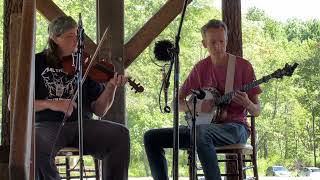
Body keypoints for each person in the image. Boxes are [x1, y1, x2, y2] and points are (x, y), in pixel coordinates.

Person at [144, 19, 262, 180]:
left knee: (201, 133)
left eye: (222, 41)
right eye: (213, 42)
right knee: (151, 137)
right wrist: (197, 108)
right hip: (200, 129)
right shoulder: (200, 68)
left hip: (235, 128)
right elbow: (175, 103)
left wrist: (247, 103)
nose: (218, 46)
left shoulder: (242, 66)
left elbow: (257, 110)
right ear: (204, 43)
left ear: (227, 40)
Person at [35, 16, 130, 180]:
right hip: (47, 125)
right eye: (70, 36)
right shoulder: (36, 62)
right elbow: (13, 104)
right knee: (35, 143)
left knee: (120, 134)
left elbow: (99, 110)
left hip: (83, 125)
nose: (77, 41)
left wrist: (111, 86)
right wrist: (53, 104)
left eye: (79, 36)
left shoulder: (85, 65)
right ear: (54, 38)